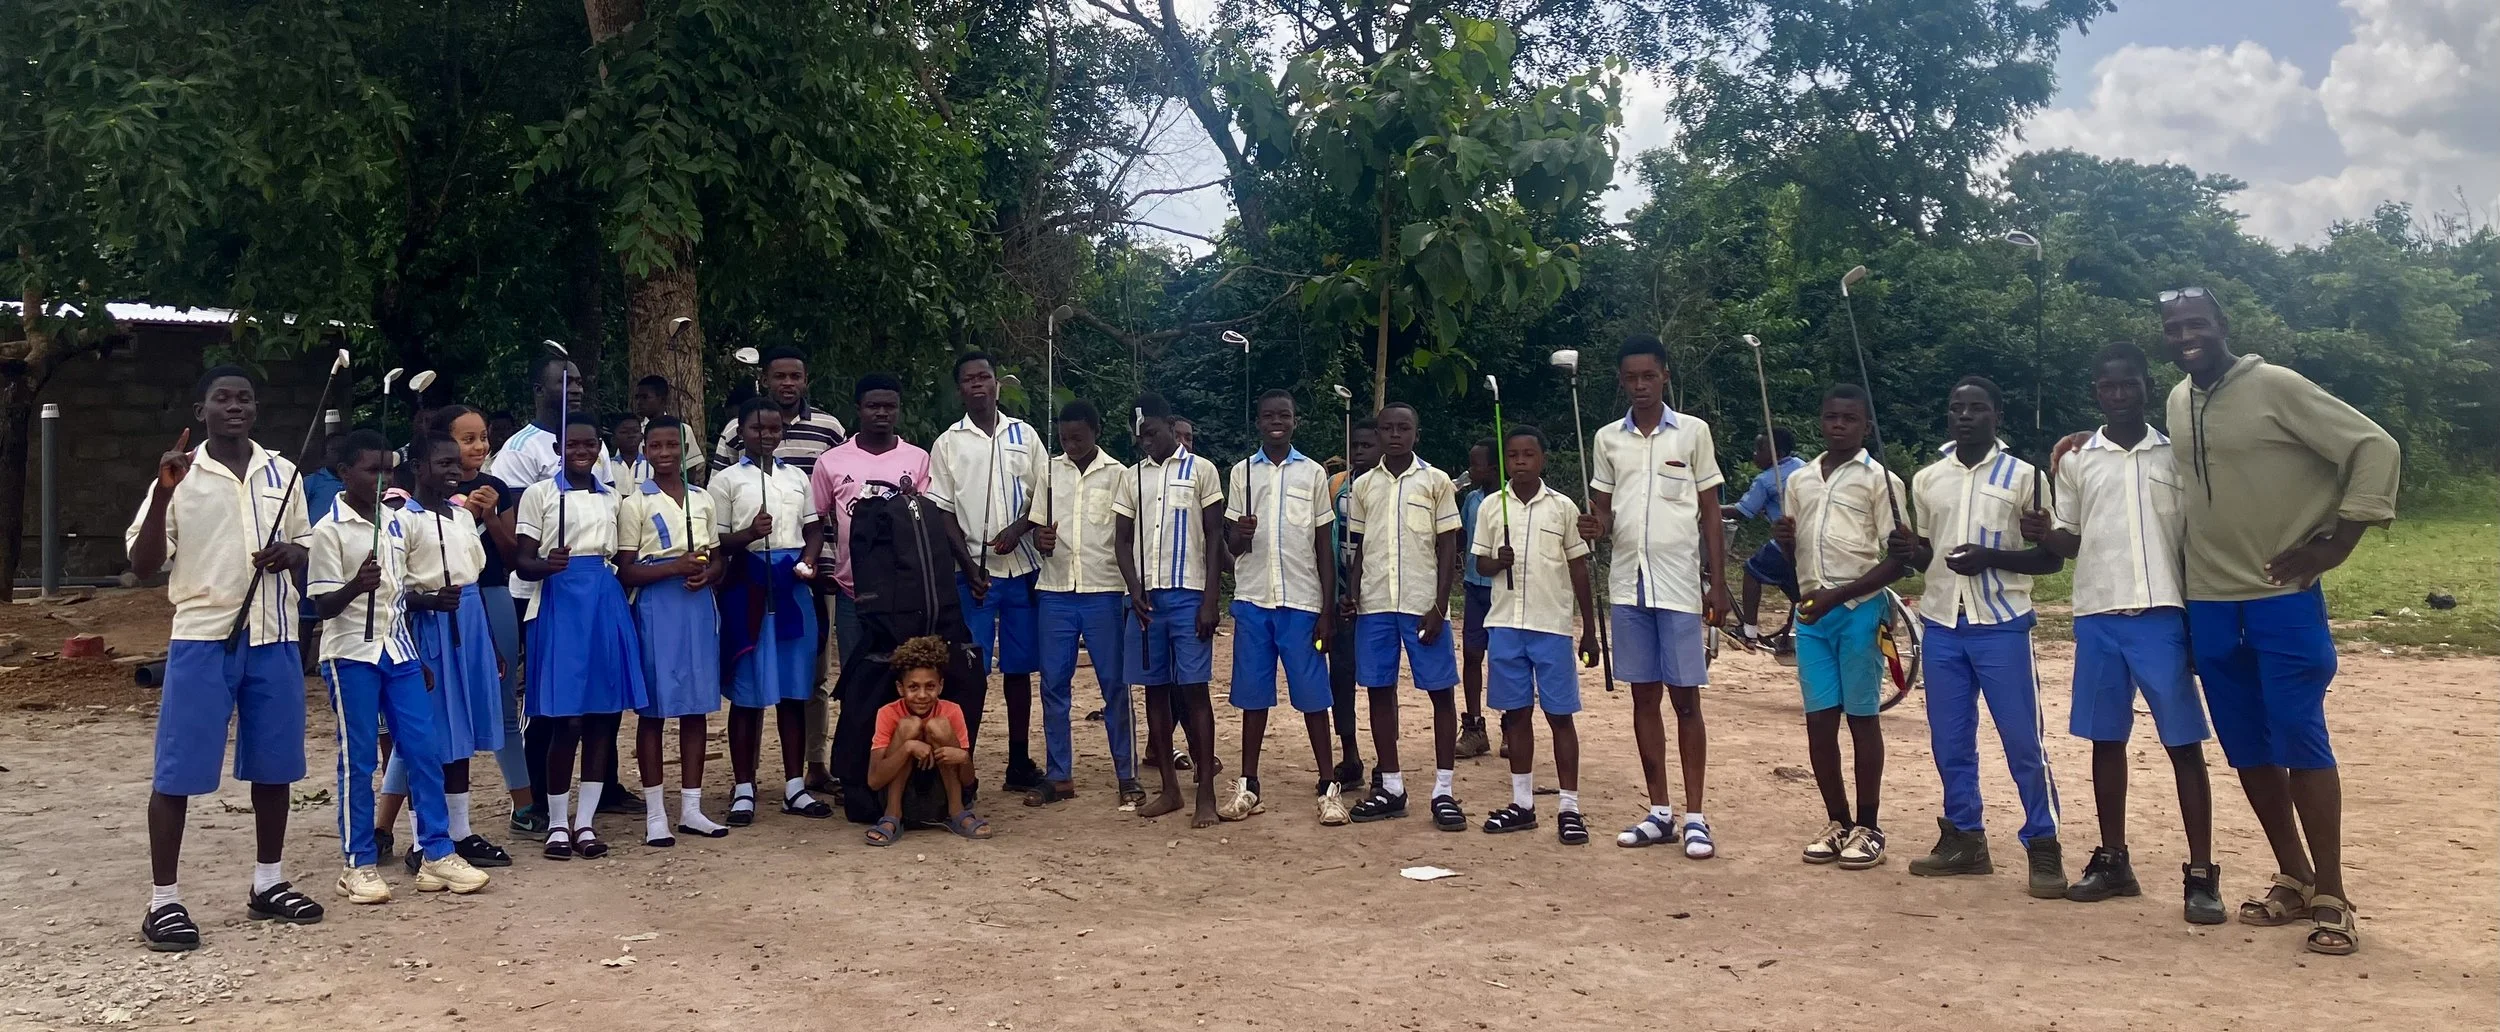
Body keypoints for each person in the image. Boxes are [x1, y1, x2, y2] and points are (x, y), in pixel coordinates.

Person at [2159, 286, 2397, 956]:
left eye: (2196, 324)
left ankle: (2334, 893)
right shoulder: (2178, 400)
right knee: (2248, 746)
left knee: (2300, 738)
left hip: (2281, 597)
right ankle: (2292, 877)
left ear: (2222, 325)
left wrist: (2337, 543)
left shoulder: (2275, 386)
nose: (2184, 336)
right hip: (2208, 600)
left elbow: (2374, 447)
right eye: (2173, 327)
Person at [124, 367, 326, 949]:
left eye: (244, 399)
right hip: (203, 638)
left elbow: (308, 542)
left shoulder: (281, 472)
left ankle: (269, 882)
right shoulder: (179, 479)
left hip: (275, 636)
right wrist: (163, 490)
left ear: (255, 410)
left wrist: (292, 552)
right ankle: (163, 901)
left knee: (275, 765)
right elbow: (143, 564)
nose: (234, 407)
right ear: (200, 410)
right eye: (222, 398)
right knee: (178, 771)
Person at [2023, 341, 2220, 922]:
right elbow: (2070, 540)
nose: (2118, 395)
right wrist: (2042, 532)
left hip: (2163, 614)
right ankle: (2113, 860)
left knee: (2182, 743)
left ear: (2145, 385)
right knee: (2105, 740)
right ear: (2097, 393)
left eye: (2128, 384)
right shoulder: (2078, 461)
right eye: (2107, 387)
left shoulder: (2174, 456)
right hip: (2099, 615)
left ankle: (2202, 872)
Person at [1891, 376, 2068, 897]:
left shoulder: (2026, 477)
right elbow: (1927, 555)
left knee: (2023, 742)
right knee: (1950, 742)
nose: (1965, 416)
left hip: (2002, 624)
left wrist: (1991, 557)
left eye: (1977, 408)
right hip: (1943, 623)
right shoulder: (1927, 479)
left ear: (1998, 415)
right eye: (1956, 408)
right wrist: (1908, 549)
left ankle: (2044, 844)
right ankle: (1964, 838)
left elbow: (2051, 558)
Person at [308, 430, 491, 903]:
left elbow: (397, 597)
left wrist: (411, 647)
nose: (383, 478)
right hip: (351, 654)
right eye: (372, 469)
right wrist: (354, 586)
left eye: (388, 469)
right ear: (345, 474)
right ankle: (358, 863)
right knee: (361, 759)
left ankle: (436, 851)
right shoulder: (329, 530)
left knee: (423, 749)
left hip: (399, 651)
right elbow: (322, 607)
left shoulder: (392, 523)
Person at [1579, 335, 1731, 859]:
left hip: (1680, 584)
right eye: (1630, 378)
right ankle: (1659, 811)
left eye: (1648, 376)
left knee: (1686, 699)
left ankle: (1696, 816)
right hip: (1628, 583)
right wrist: (1594, 524)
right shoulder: (1607, 439)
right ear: (1621, 381)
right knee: (1643, 697)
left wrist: (1719, 579)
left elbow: (1710, 509)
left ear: (1665, 376)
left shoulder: (1692, 433)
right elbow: (1602, 509)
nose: (1640, 386)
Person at [490, 355, 633, 818]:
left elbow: (610, 525)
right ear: (539, 387)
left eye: (578, 379)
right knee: (554, 706)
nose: (573, 387)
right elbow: (517, 536)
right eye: (561, 380)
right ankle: (536, 802)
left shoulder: (604, 474)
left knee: (600, 700)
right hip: (547, 592)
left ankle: (600, 794)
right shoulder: (521, 452)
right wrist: (541, 564)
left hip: (599, 594)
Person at [1774, 384, 1907, 871]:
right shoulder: (1800, 480)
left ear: (1865, 426)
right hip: (1813, 613)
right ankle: (1837, 821)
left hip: (1859, 610)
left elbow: (1898, 560)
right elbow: (1798, 553)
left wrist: (1841, 595)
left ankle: (1869, 826)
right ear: (1821, 420)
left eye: (1849, 419)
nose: (1838, 426)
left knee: (1862, 718)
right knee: (1818, 721)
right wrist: (1785, 542)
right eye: (1831, 417)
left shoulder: (1882, 481)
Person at [512, 412, 650, 861]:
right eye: (573, 445)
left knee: (601, 717)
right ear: (558, 450)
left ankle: (586, 822)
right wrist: (547, 565)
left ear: (599, 449)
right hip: (558, 599)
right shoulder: (540, 494)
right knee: (565, 718)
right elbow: (522, 561)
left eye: (590, 445)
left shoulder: (613, 498)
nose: (582, 452)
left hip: (603, 598)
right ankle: (555, 823)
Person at [374, 432, 514, 873]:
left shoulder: (459, 518)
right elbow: (392, 591)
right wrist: (428, 603)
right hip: (428, 627)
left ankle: (459, 832)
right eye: (442, 463)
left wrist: (489, 645)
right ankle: (423, 840)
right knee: (427, 739)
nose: (454, 471)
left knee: (461, 735)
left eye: (457, 464)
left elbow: (471, 580)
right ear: (417, 467)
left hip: (469, 623)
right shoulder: (401, 520)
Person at [1471, 426, 1599, 843]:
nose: (1522, 461)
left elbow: (1579, 569)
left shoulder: (1563, 508)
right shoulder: (1492, 507)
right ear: (1505, 461)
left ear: (1542, 459)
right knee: (1516, 715)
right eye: (1514, 454)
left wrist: (1590, 630)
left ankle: (1569, 807)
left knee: (1560, 716)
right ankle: (1522, 804)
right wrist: (1497, 561)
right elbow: (1478, 566)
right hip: (1506, 625)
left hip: (1552, 628)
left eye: (1529, 454)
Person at [1221, 390, 1343, 823]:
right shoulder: (1241, 473)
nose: (1277, 421)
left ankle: (1329, 786)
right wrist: (1241, 532)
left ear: (1295, 421)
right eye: (1269, 415)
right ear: (1258, 422)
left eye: (1284, 415)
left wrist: (1327, 610)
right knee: (1254, 696)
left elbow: (1323, 548)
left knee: (1313, 696)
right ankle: (1248, 783)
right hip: (1254, 599)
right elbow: (1231, 545)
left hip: (1302, 601)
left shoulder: (1311, 474)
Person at [417, 405, 539, 835]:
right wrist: (462, 512)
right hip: (440, 605)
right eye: (467, 439)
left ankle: (523, 804)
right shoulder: (419, 491)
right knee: (429, 711)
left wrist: (486, 515)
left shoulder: (496, 487)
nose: (479, 446)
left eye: (483, 437)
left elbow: (512, 559)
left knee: (504, 704)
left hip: (492, 594)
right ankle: (389, 820)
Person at [1339, 403, 1462, 825]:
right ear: (1378, 433)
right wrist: (1351, 593)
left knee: (1441, 692)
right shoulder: (1363, 487)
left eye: (1403, 427)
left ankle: (1444, 790)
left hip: (1421, 607)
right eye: (1387, 428)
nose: (1395, 435)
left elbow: (1448, 547)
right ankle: (1391, 785)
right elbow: (1357, 547)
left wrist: (1440, 604)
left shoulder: (1436, 481)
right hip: (1374, 606)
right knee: (1378, 690)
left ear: (1416, 433)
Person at [927, 352, 1045, 791]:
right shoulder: (947, 443)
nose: (978, 384)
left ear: (998, 383)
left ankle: (1018, 762)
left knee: (1018, 669)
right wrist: (966, 565)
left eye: (985, 377)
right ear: (960, 389)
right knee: (969, 669)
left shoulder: (1024, 435)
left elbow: (1043, 493)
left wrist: (1019, 529)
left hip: (1022, 569)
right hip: (973, 575)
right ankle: (964, 765)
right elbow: (942, 512)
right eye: (968, 379)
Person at [807, 373, 930, 792]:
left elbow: (924, 522)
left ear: (898, 409)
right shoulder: (832, 462)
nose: (882, 413)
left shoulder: (917, 459)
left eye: (889, 406)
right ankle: (856, 773)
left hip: (903, 597)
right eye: (874, 406)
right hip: (851, 592)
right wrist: (822, 569)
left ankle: (905, 771)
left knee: (904, 682)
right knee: (858, 683)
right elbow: (816, 519)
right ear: (858, 409)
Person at [614, 416, 731, 846]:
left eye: (672, 446)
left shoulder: (701, 499)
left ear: (686, 452)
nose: (664, 453)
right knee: (654, 711)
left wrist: (710, 573)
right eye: (656, 446)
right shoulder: (635, 503)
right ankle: (655, 813)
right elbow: (625, 569)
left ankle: (693, 808)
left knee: (696, 707)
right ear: (645, 451)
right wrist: (672, 568)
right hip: (656, 608)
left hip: (696, 606)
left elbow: (717, 558)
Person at [713, 399, 831, 824]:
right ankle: (744, 786)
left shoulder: (797, 477)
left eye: (774, 428)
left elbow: (813, 528)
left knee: (793, 691)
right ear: (740, 433)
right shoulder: (726, 481)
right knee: (748, 693)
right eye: (757, 428)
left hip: (791, 584)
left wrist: (811, 560)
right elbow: (717, 541)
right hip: (747, 584)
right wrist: (749, 533)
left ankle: (794, 786)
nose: (766, 434)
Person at [1114, 393, 1226, 827]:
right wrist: (1134, 588)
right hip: (1145, 601)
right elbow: (1122, 540)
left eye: (1152, 433)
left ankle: (1206, 794)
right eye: (1140, 436)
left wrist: (1211, 600)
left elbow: (1214, 536)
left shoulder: (1201, 470)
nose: (1146, 442)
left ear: (1170, 426)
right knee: (1154, 692)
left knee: (1195, 692)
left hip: (1188, 596)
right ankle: (1169, 789)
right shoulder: (1132, 477)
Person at [1029, 400, 1142, 806]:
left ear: (1097, 432)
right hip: (1056, 590)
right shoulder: (1048, 472)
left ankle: (1126, 774)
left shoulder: (1119, 476)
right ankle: (1059, 776)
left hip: (1105, 591)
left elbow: (1129, 536)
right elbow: (1039, 526)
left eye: (1078, 437)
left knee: (1115, 685)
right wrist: (1040, 540)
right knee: (1053, 685)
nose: (1071, 444)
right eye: (1064, 438)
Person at [864, 636, 990, 845]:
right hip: (901, 793)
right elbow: (874, 781)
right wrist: (907, 748)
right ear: (900, 688)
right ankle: (893, 814)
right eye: (913, 687)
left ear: (940, 686)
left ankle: (956, 811)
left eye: (929, 686)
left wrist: (963, 757)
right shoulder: (888, 713)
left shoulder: (952, 711)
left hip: (940, 793)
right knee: (908, 725)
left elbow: (968, 780)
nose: (922, 695)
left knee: (938, 726)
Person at [1320, 419, 1381, 785]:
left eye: (1366, 446)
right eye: (1354, 446)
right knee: (1340, 676)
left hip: (1375, 595)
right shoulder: (1337, 484)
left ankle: (1384, 762)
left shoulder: (1385, 487)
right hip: (1341, 592)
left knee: (1378, 680)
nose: (1359, 452)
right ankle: (1350, 754)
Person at [1722, 429, 1806, 653]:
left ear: (1777, 453)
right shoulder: (1801, 465)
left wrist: (1708, 508)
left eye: (1759, 449)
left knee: (1752, 570)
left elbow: (1741, 511)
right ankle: (1793, 635)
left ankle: (1748, 630)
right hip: (1811, 540)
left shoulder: (1767, 480)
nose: (1754, 454)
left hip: (1788, 541)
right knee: (1799, 588)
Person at [707, 345, 848, 474]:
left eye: (795, 376)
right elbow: (719, 483)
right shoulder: (739, 427)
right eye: (779, 376)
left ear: (805, 380)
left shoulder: (830, 428)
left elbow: (844, 481)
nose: (788, 383)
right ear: (765, 380)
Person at [1452, 439, 1499, 759]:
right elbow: (1462, 536)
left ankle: (1511, 723)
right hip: (1474, 587)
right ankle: (1474, 726)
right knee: (1472, 655)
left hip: (1503, 590)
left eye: (1477, 464)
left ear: (1494, 469)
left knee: (1504, 660)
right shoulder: (1470, 499)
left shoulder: (1509, 501)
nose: (1471, 470)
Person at [604, 412, 649, 489]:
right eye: (624, 432)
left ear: (642, 437)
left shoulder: (652, 466)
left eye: (635, 431)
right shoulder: (607, 467)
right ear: (613, 439)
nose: (631, 435)